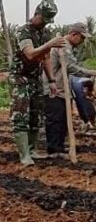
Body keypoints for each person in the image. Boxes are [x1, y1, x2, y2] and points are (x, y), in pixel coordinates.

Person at [9, 0, 66, 166]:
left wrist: (52, 80)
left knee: (36, 115)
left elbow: (46, 57)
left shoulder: (44, 33)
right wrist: (50, 44)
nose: (44, 24)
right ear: (37, 14)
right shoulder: (24, 31)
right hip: (20, 77)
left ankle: (33, 149)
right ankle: (24, 154)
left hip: (36, 78)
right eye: (43, 19)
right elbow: (30, 54)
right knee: (21, 116)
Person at [43, 22, 96, 157]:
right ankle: (54, 149)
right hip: (53, 88)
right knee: (56, 119)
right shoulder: (63, 45)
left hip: (62, 88)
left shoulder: (68, 47)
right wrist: (90, 72)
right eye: (82, 37)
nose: (83, 41)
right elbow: (71, 66)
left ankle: (59, 147)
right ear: (74, 34)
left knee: (63, 119)